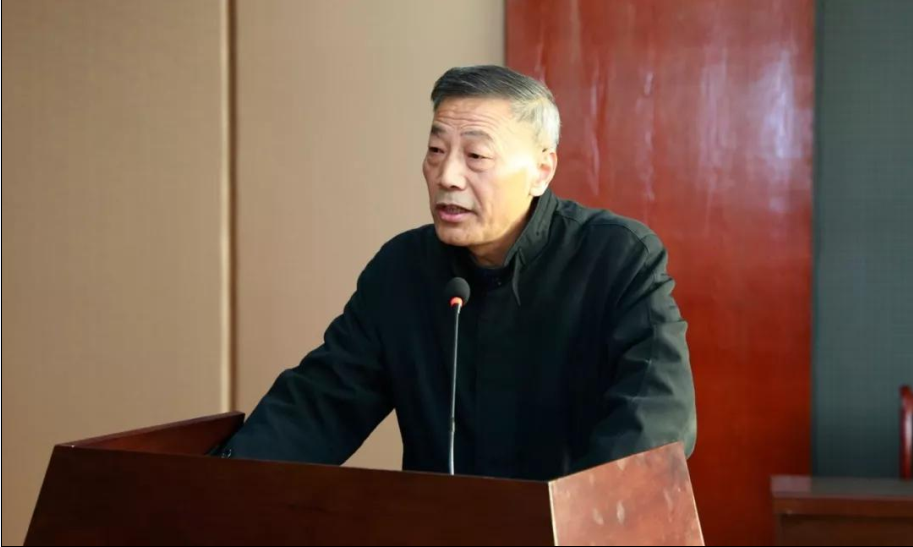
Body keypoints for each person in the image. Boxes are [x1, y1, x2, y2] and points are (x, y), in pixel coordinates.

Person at [219, 65, 696, 480]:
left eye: (476, 156)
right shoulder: (402, 270)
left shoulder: (616, 258)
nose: (447, 176)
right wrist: (223, 486)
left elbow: (655, 419)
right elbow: (320, 405)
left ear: (541, 170)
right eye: (435, 150)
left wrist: (578, 522)